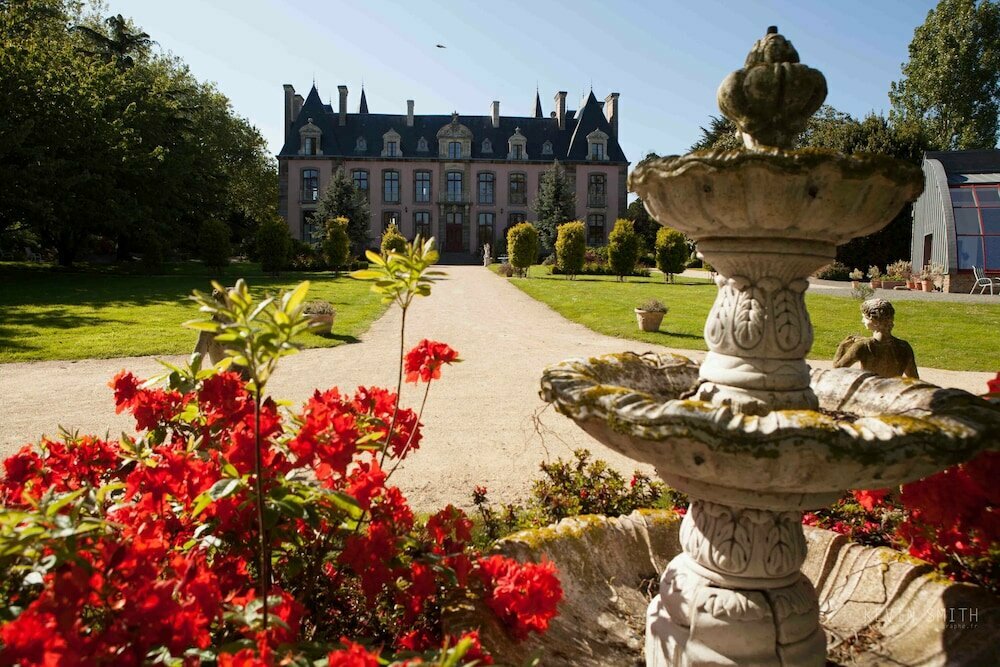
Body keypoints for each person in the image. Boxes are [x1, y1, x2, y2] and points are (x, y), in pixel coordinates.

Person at [833, 298, 918, 379]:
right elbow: (914, 378)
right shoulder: (904, 346)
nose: (862, 321)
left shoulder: (863, 346)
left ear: (874, 321)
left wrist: (843, 346)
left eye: (864, 317)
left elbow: (838, 368)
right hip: (892, 388)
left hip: (871, 388)